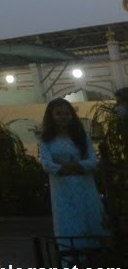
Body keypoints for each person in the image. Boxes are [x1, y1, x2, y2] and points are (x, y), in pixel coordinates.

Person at [38, 98, 107, 258]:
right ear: (51, 116)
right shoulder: (46, 140)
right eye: (58, 113)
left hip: (86, 188)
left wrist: (74, 167)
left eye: (67, 113)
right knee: (69, 225)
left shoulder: (82, 138)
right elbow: (47, 164)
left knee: (91, 220)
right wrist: (68, 168)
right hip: (62, 191)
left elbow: (92, 161)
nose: (63, 117)